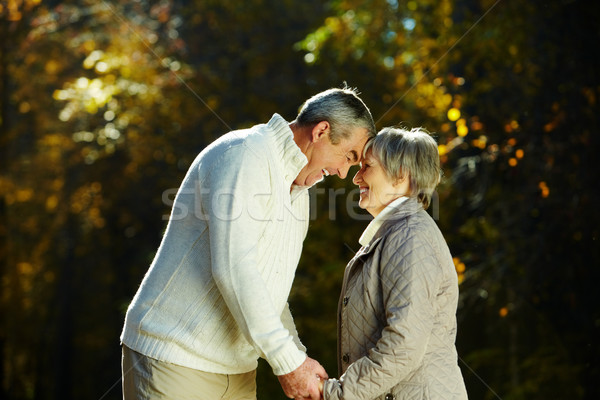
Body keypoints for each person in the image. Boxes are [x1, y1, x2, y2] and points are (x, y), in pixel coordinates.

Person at [120, 87, 376, 400]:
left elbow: (269, 290)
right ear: (322, 131)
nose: (342, 172)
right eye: (348, 156)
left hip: (237, 371)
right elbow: (234, 268)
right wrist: (290, 364)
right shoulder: (245, 154)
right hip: (174, 360)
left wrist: (298, 357)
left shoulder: (300, 195)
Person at [320, 127, 468, 399]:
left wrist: (338, 393)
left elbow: (404, 344)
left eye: (367, 166)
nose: (357, 178)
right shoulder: (396, 234)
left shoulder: (410, 236)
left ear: (401, 174)